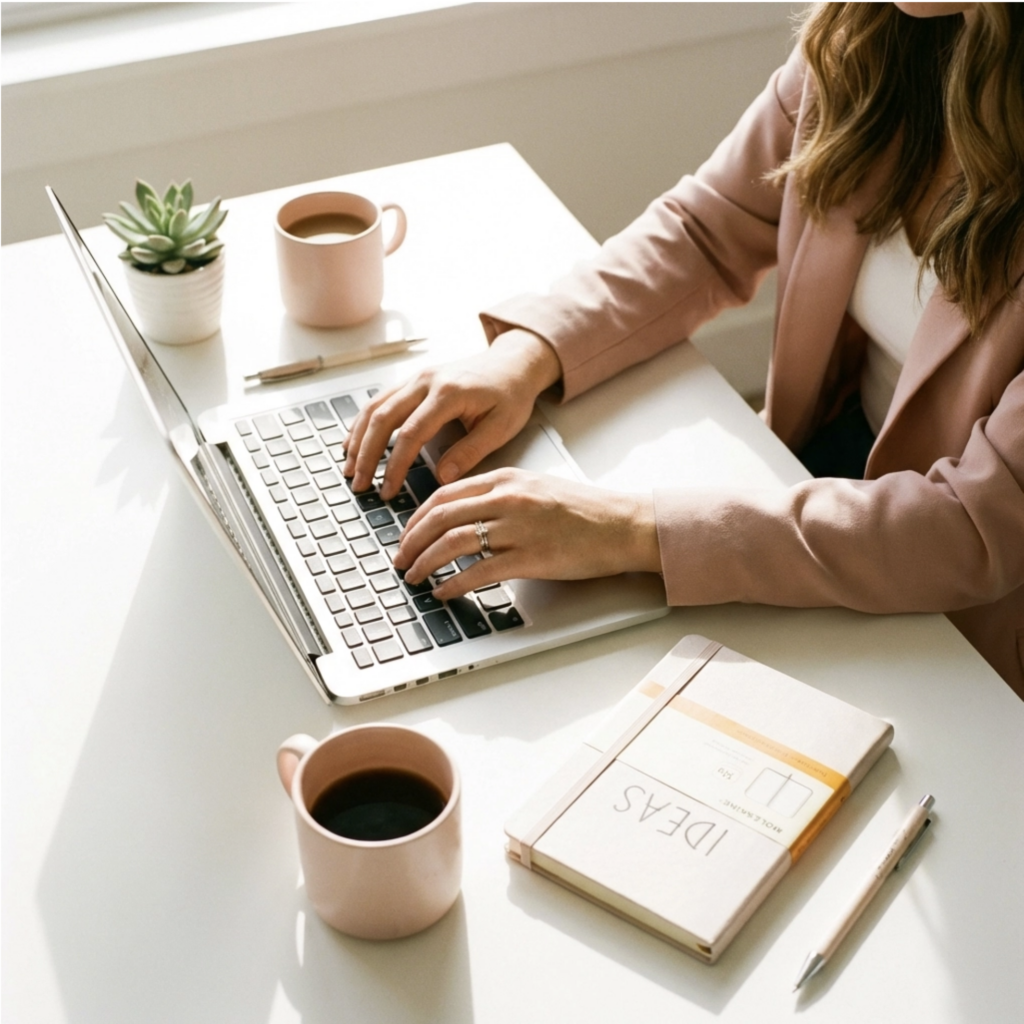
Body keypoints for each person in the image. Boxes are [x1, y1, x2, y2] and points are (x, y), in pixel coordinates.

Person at [343, 2, 1024, 695]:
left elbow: (971, 527)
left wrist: (630, 530)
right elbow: (708, 229)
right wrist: (527, 354)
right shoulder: (872, 35)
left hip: (972, 626)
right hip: (817, 479)